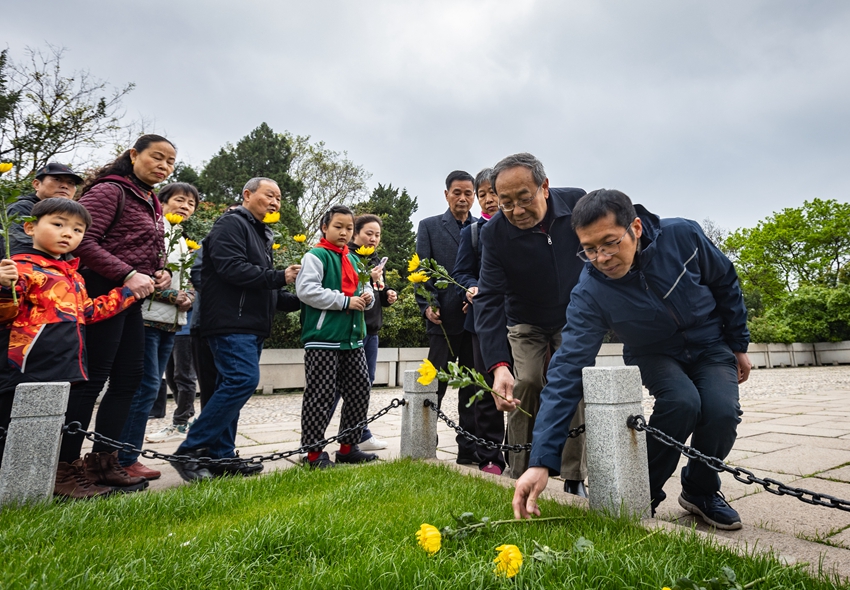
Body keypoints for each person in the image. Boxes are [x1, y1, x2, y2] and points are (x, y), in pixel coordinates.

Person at [512, 189, 751, 530]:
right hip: (653, 352)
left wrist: (739, 344)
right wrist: (540, 462)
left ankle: (700, 490)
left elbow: (725, 282)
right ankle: (642, 492)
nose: (602, 257)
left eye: (610, 242)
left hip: (710, 344)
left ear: (635, 228)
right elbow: (565, 371)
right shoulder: (590, 292)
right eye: (589, 249)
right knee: (682, 403)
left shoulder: (684, 235)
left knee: (721, 411)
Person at [58, 134, 174, 493]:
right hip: (99, 291)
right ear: (133, 154)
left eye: (170, 162)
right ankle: (65, 468)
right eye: (157, 157)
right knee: (92, 379)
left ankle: (105, 462)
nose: (164, 166)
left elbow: (142, 248)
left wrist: (160, 270)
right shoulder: (111, 191)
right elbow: (83, 240)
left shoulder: (151, 200)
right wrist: (126, 272)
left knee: (130, 378)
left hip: (130, 299)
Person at [0, 199, 136, 498]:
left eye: (77, 230)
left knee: (52, 428)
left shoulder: (73, 275)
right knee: (14, 428)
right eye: (58, 224)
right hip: (28, 363)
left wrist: (126, 294)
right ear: (30, 227)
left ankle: (56, 479)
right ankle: (17, 491)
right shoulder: (20, 268)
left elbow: (86, 312)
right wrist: (2, 285)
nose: (67, 234)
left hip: (66, 363)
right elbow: (5, 313)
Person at [170, 178, 300, 481]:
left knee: (226, 387)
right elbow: (232, 269)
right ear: (247, 194)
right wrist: (280, 276)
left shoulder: (260, 233)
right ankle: (190, 450)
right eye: (269, 195)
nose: (275, 202)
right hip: (229, 322)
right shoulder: (231, 224)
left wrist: (302, 298)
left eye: (279, 198)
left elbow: (265, 284)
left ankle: (221, 456)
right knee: (242, 380)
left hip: (251, 323)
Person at [474, 152, 588, 495]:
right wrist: (498, 366)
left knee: (571, 382)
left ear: (545, 187)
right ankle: (519, 467)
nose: (517, 211)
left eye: (525, 199)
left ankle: (572, 476)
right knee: (525, 383)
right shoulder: (493, 233)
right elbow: (490, 299)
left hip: (574, 314)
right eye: (506, 203)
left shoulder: (578, 204)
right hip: (524, 318)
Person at [117, 183, 199, 479]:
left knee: (150, 386)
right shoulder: (154, 230)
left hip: (172, 323)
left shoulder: (180, 238)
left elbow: (186, 278)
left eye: (191, 204)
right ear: (161, 201)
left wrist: (188, 296)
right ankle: (125, 457)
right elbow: (143, 274)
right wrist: (173, 297)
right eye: (179, 200)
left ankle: (127, 455)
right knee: (146, 386)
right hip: (146, 318)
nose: (185, 207)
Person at [296, 205, 377, 469]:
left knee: (359, 389)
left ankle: (347, 447)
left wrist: (368, 296)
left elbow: (365, 287)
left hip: (352, 338)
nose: (344, 232)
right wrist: (345, 302)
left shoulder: (355, 260)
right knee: (320, 394)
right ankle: (313, 453)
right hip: (323, 337)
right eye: (338, 227)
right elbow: (307, 290)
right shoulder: (315, 255)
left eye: (349, 228)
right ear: (324, 228)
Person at [415, 170, 480, 465]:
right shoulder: (429, 226)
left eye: (468, 193)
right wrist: (427, 306)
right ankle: (424, 440)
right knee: (434, 383)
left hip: (472, 319)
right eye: (457, 192)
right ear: (446, 194)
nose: (463, 198)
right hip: (441, 320)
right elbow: (421, 274)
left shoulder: (482, 228)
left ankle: (468, 448)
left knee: (471, 384)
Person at [326, 214, 397, 451]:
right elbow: (346, 288)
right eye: (369, 233)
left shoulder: (376, 260)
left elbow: (376, 293)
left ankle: (359, 433)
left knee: (364, 384)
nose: (373, 238)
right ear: (355, 233)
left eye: (377, 235)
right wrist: (367, 278)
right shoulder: (348, 256)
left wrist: (387, 295)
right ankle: (318, 435)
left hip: (372, 330)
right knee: (341, 385)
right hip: (352, 330)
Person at [451, 168, 506, 475]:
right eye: (482, 194)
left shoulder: (521, 228)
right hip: (482, 319)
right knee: (485, 390)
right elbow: (461, 271)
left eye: (492, 193)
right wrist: (470, 285)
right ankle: (490, 457)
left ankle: (523, 450)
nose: (487, 200)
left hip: (521, 320)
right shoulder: (471, 233)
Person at [4, 162, 83, 255]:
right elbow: (20, 247)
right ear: (36, 184)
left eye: (71, 183)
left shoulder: (71, 214)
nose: (65, 186)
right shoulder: (22, 208)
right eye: (57, 179)